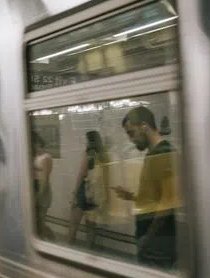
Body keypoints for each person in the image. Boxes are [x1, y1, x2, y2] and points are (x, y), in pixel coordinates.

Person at [113, 106, 179, 268]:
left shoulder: (163, 153)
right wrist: (133, 197)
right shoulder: (154, 154)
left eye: (131, 133)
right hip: (154, 241)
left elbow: (168, 202)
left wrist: (147, 238)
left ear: (144, 126)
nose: (130, 139)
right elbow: (156, 199)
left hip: (158, 243)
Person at [67, 130, 108, 246]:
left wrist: (74, 194)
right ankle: (89, 253)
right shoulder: (102, 155)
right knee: (91, 227)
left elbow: (81, 174)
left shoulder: (88, 154)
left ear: (89, 141)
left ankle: (68, 251)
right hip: (96, 194)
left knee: (74, 225)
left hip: (84, 191)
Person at [32, 133, 54, 239]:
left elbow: (45, 179)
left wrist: (38, 196)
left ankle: (51, 239)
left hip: (43, 190)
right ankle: (43, 239)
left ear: (37, 143)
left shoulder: (46, 158)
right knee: (37, 221)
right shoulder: (35, 157)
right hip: (36, 187)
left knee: (41, 220)